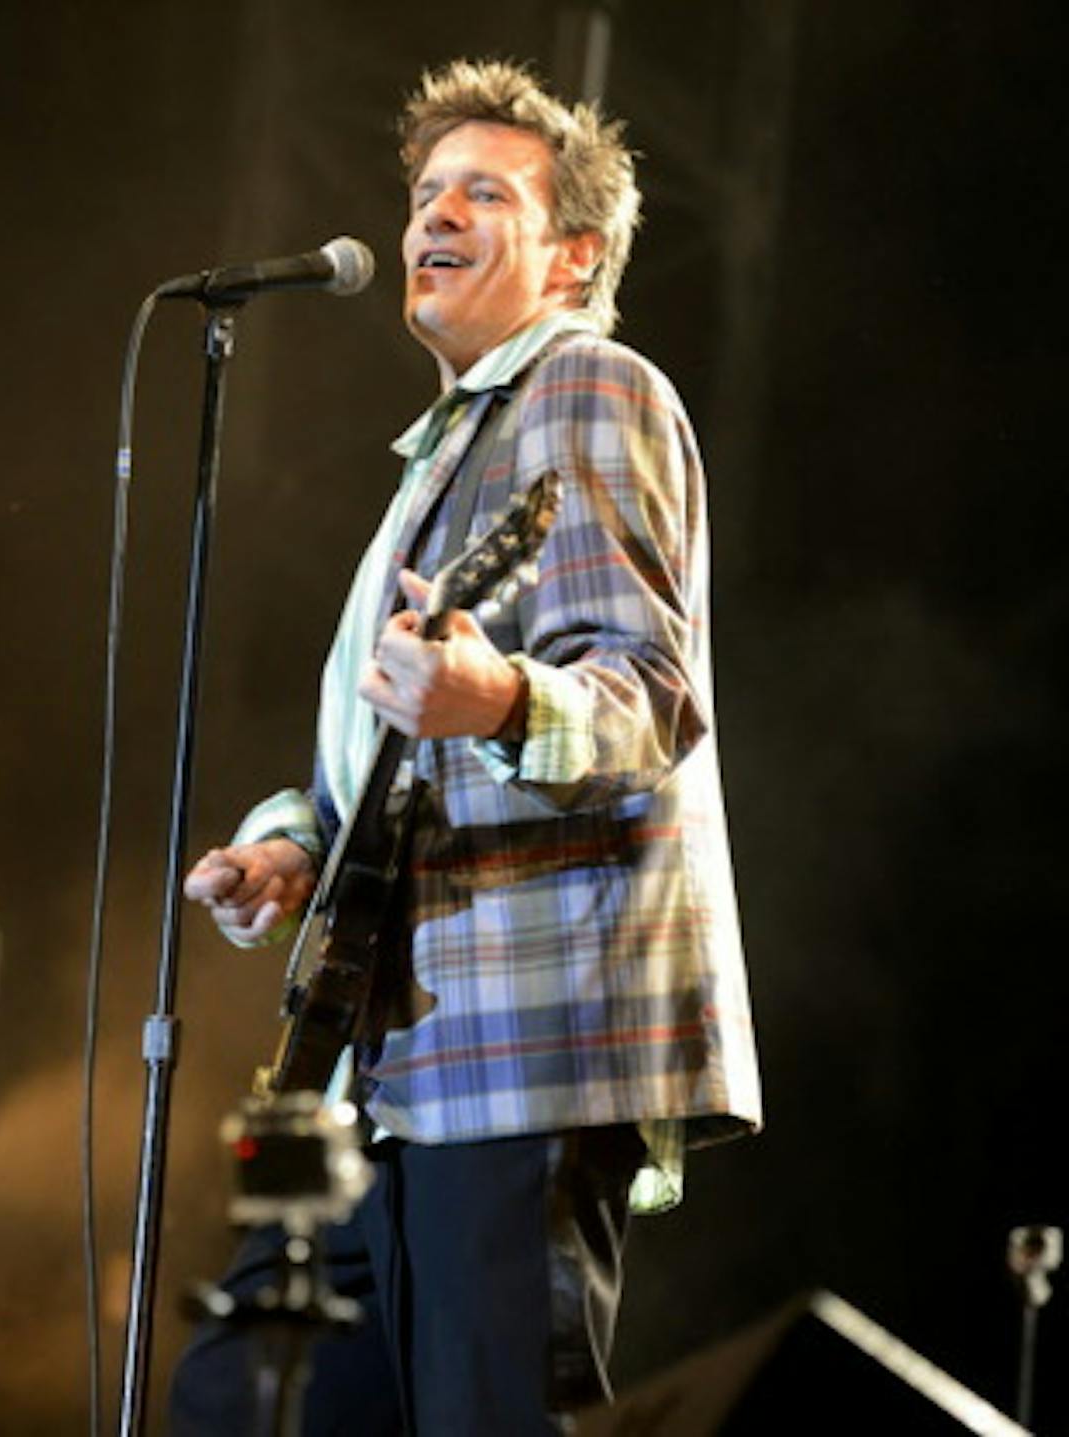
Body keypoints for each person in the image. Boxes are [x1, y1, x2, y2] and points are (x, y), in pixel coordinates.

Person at [169, 59, 763, 1434]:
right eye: (426, 190)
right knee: (240, 1396)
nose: (433, 215)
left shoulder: (592, 389)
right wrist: (287, 844)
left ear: (574, 255)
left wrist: (499, 701)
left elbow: (652, 694)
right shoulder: (446, 457)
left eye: (481, 193)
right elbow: (381, 756)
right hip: (397, 1066)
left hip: (525, 1039)